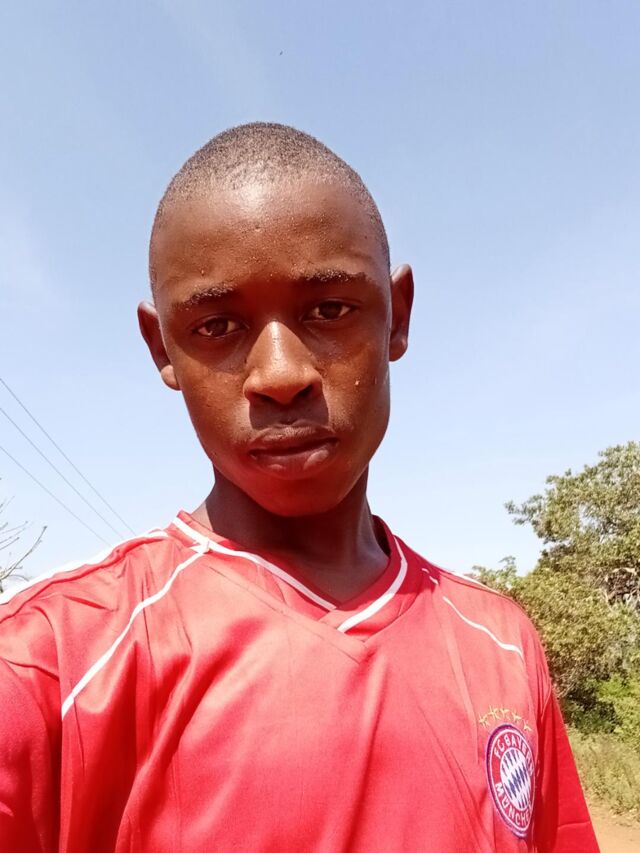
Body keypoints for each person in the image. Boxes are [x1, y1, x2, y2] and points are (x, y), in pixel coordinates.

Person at [0, 123, 598, 852]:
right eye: (217, 325)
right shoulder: (48, 664)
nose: (281, 375)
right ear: (163, 349)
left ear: (397, 315)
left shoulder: (500, 643)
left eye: (329, 310)